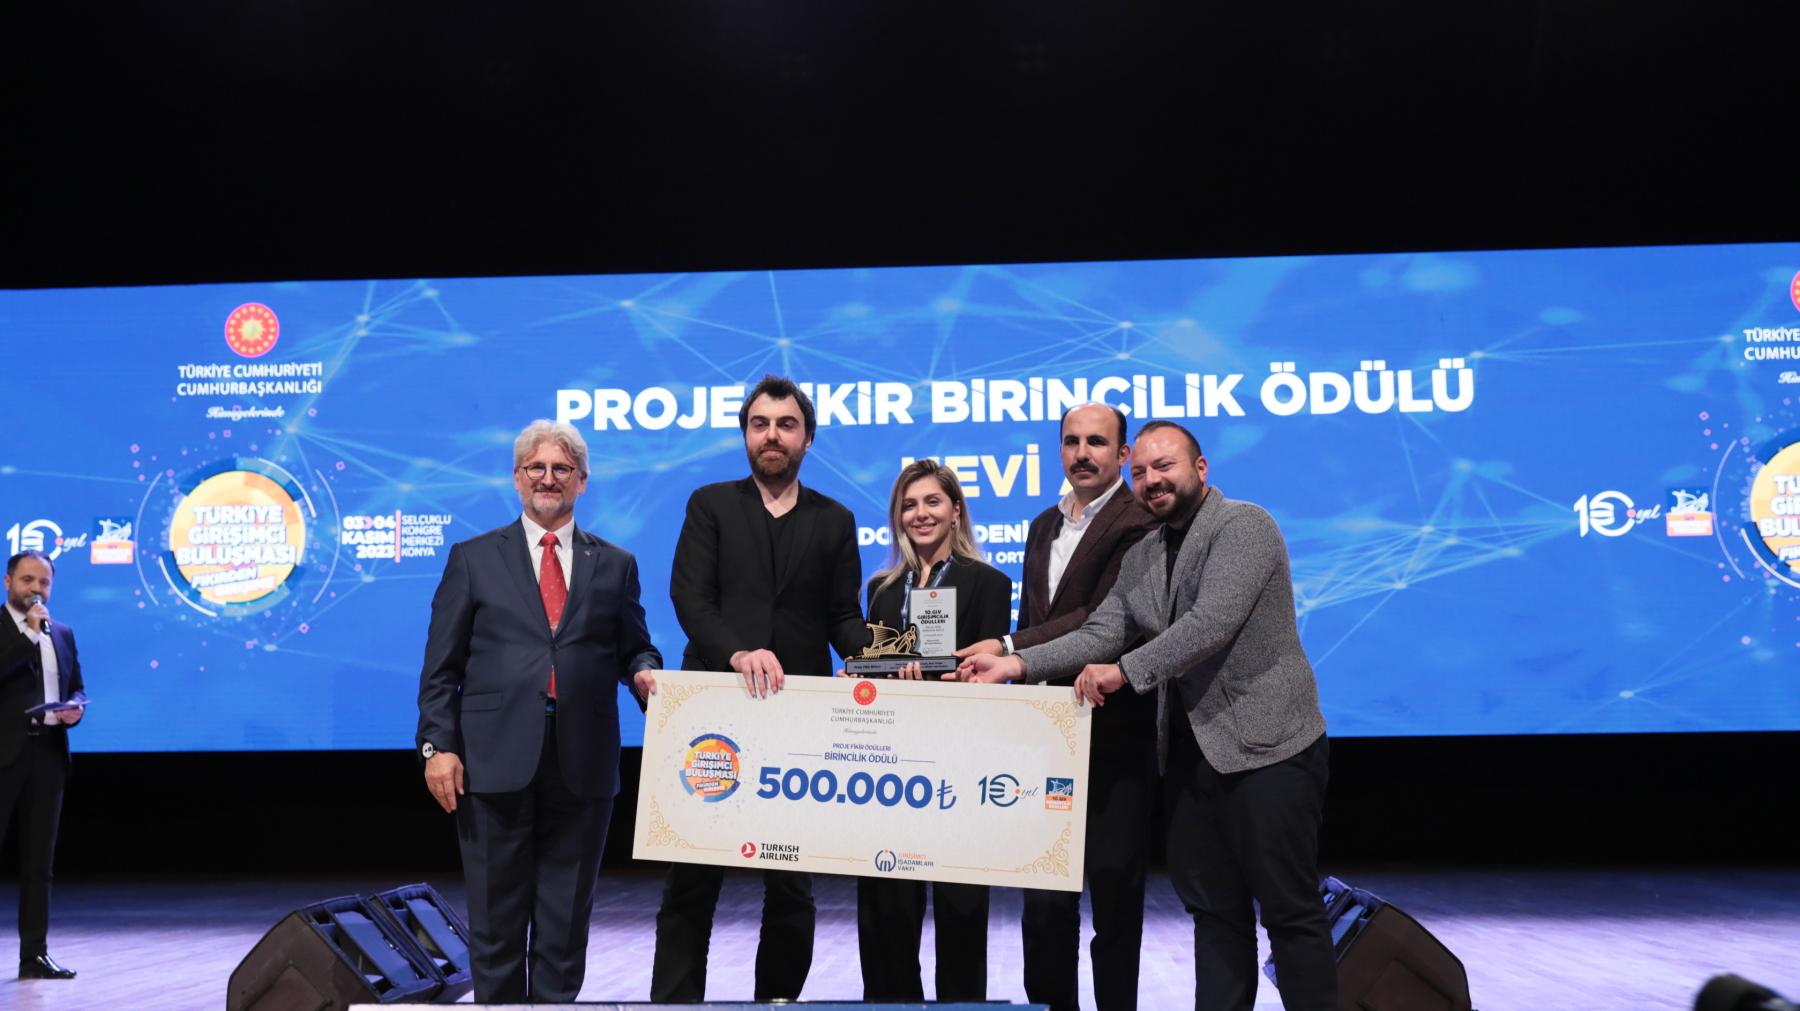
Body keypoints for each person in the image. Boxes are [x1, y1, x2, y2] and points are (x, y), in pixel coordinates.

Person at [959, 420, 1335, 1011]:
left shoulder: (1245, 525)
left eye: (1165, 467)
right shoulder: (1145, 553)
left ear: (1200, 469)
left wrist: (1124, 671)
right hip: (1190, 758)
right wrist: (1016, 663)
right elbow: (1102, 631)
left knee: (1289, 912)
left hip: (1269, 751)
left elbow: (1209, 623)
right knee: (1215, 913)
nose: (1152, 480)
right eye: (1140, 472)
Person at [416, 420, 662, 1002]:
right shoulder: (473, 558)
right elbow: (441, 668)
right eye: (537, 468)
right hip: (491, 762)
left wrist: (644, 671)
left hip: (583, 765)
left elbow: (635, 646)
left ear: (582, 480)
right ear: (517, 477)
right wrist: (437, 746)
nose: (548, 479)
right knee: (495, 923)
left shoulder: (616, 563)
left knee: (564, 925)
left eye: (562, 469)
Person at [647, 375, 866, 1002]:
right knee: (692, 880)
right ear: (746, 434)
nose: (772, 435)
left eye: (786, 424)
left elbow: (842, 617)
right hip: (713, 712)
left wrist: (882, 661)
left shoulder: (835, 519)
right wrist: (737, 652)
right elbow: (690, 598)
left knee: (792, 885)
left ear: (807, 438)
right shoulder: (710, 504)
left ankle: (778, 1003)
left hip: (797, 720)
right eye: (760, 424)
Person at [955, 402, 1158, 1011]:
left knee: (1115, 897)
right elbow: (1036, 615)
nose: (1082, 453)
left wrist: (1009, 648)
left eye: (1097, 442)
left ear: (1123, 453)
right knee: (1044, 903)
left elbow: (1099, 621)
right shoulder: (1043, 523)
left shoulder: (1140, 521)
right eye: (1071, 441)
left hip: (1116, 733)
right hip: (1046, 740)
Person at [853, 459, 1012, 1003]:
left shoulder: (989, 582)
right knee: (885, 917)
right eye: (909, 504)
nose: (920, 514)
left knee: (961, 914)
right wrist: (862, 679)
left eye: (932, 502)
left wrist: (945, 673)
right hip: (888, 769)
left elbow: (988, 677)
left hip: (958, 770)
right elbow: (873, 669)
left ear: (956, 511)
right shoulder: (880, 589)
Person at [1, 550, 87, 981]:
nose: (36, 589)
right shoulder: (14, 630)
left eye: (44, 582)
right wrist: (30, 637)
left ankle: (34, 955)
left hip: (49, 755)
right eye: (27, 580)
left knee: (39, 863)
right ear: (8, 582)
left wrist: (75, 708)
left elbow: (76, 687)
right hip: (3, 756)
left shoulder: (63, 633)